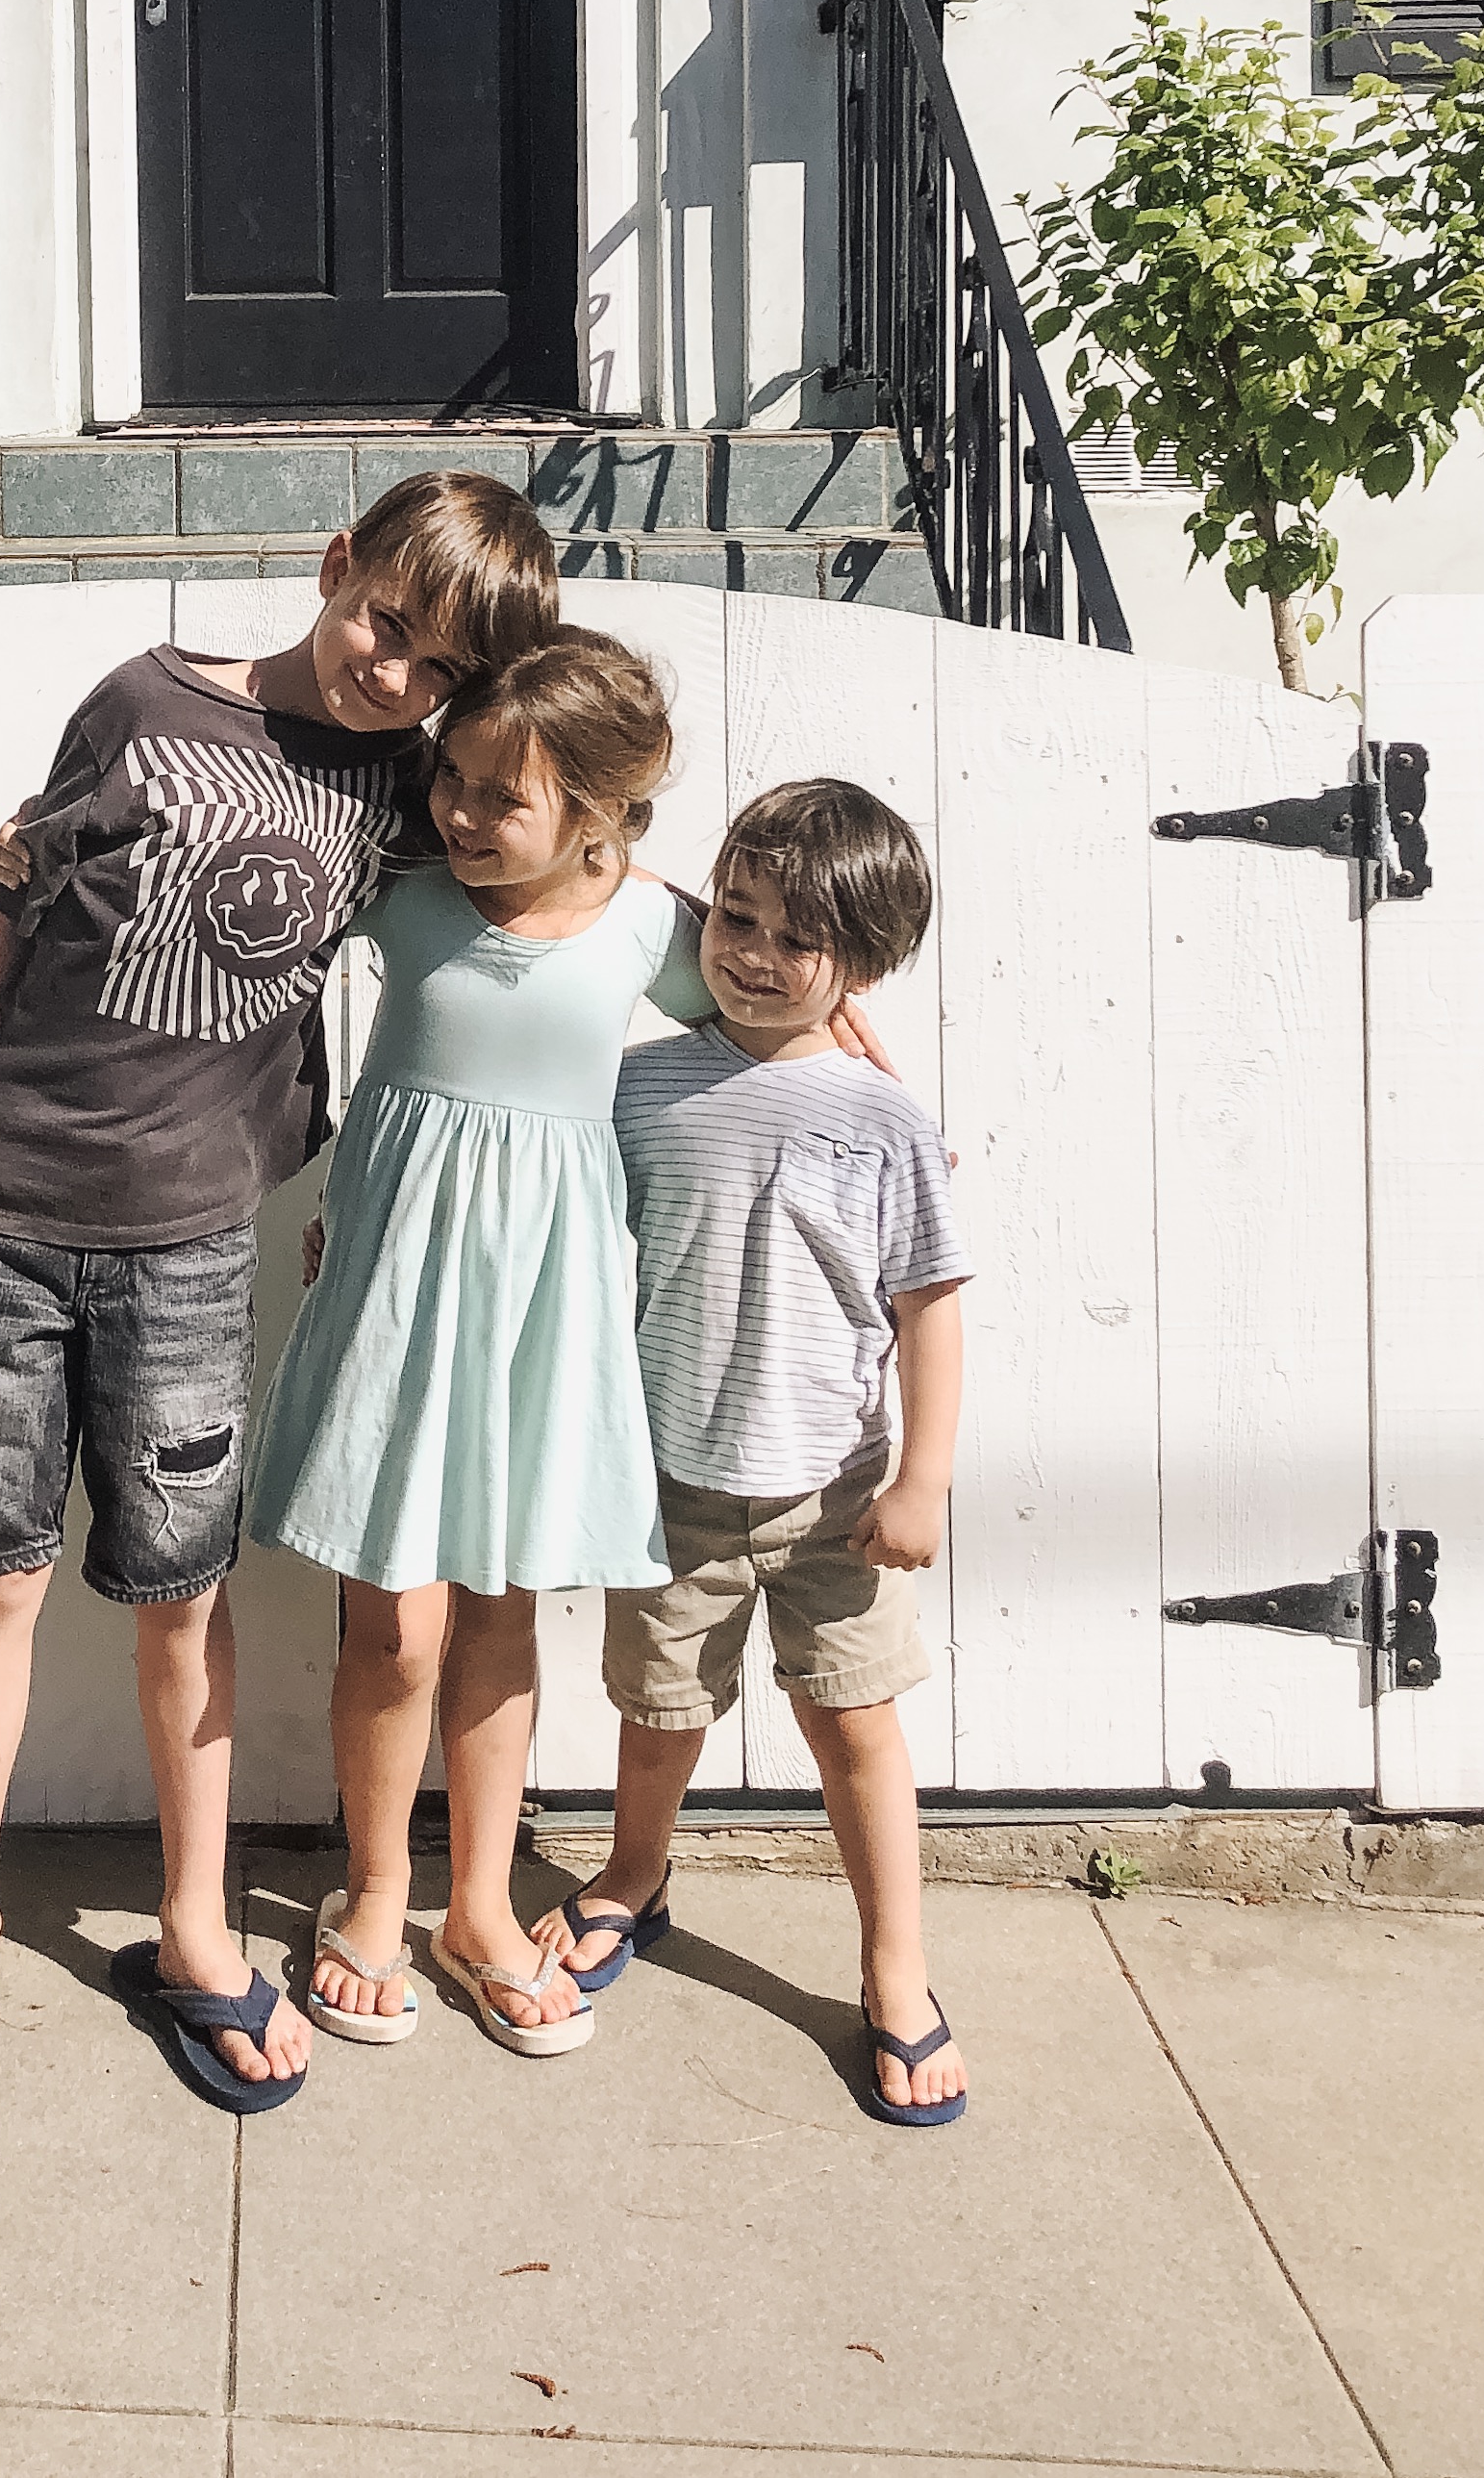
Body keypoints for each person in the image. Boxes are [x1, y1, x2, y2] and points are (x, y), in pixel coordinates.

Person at [0, 468, 558, 2148]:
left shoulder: (404, 786)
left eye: (438, 666)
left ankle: (194, 1923)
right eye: (386, 623)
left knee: (182, 1597)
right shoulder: (145, 702)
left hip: (189, 1243)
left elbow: (568, 844)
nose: (395, 672)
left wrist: (801, 995)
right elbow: (11, 901)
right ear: (335, 568)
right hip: (2, 1214)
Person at [247, 631, 752, 2055]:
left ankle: (477, 1906)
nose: (459, 811)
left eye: (499, 794)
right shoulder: (405, 896)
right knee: (393, 1614)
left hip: (548, 1299)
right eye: (451, 777)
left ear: (598, 813)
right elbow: (248, 930)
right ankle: (374, 1891)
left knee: (501, 1604)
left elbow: (772, 1011)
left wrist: (864, 1063)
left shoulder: (655, 929)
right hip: (403, 1282)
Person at [536, 777, 972, 2127]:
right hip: (666, 1482)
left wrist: (923, 1480)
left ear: (865, 963)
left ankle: (894, 1966)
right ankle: (632, 1877)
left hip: (835, 1494)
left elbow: (929, 1301)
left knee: (854, 1727)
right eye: (736, 915)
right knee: (658, 1712)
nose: (754, 953)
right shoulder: (639, 1083)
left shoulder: (884, 1116)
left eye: (797, 939)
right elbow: (533, 1191)